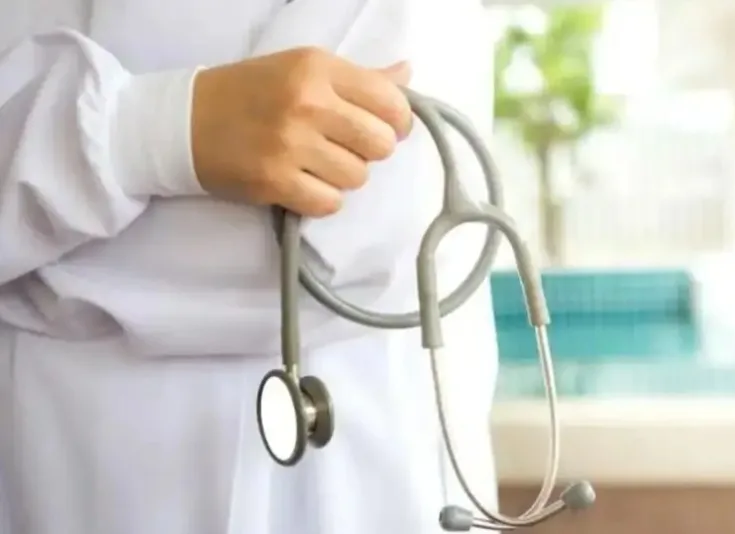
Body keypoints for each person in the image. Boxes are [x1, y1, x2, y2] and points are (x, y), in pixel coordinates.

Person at [0, 0, 500, 533]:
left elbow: (368, 242)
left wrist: (82, 155)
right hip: (63, 462)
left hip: (364, 468)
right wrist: (169, 129)